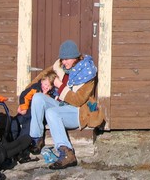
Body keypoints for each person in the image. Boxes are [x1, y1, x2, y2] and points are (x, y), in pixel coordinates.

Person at [29, 39, 104, 170]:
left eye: (67, 59)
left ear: (75, 57)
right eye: (62, 59)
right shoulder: (60, 67)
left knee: (51, 112)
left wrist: (60, 86)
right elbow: (41, 76)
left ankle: (66, 153)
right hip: (61, 106)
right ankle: (36, 139)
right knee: (37, 97)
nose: (63, 62)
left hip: (78, 111)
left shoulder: (87, 74)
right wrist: (26, 92)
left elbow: (78, 100)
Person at [11, 70, 58, 139]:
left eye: (49, 86)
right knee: (14, 123)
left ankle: (21, 144)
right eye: (45, 84)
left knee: (27, 128)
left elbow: (50, 105)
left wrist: (44, 96)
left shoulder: (52, 94)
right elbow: (25, 95)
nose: (46, 87)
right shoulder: (35, 88)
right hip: (27, 111)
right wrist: (24, 107)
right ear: (42, 81)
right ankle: (11, 141)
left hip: (34, 116)